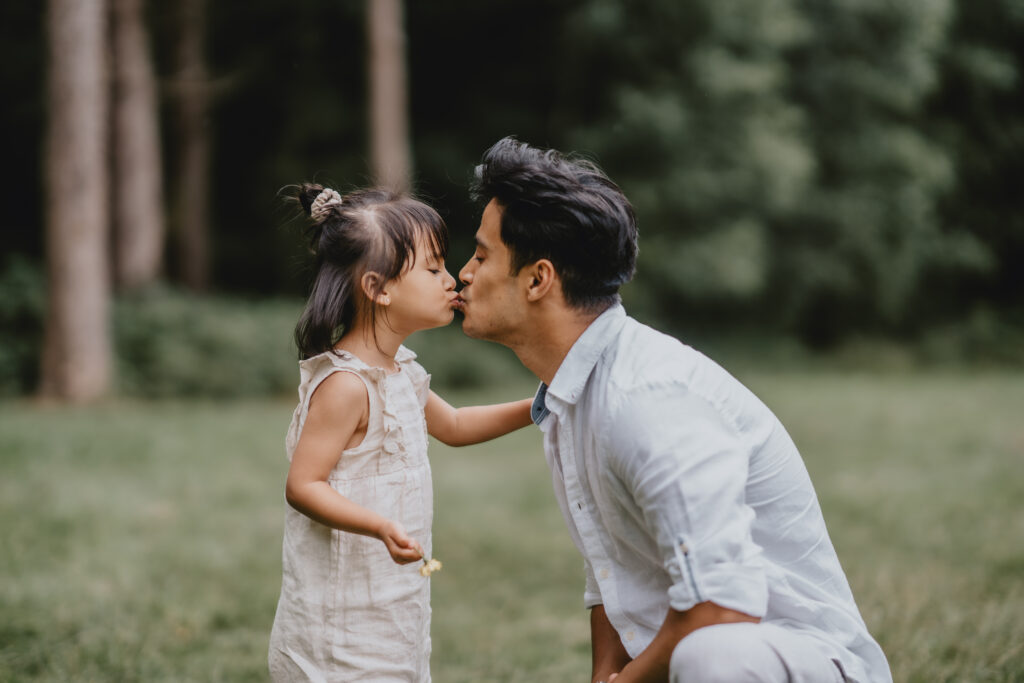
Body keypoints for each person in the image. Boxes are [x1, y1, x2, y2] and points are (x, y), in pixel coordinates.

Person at [453, 137, 893, 683]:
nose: (463, 274)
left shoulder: (645, 398)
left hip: (795, 663)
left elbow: (725, 607)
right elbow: (610, 575)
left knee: (711, 656)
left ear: (539, 278)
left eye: (480, 254)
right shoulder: (570, 402)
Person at [268, 184, 532, 682]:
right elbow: (304, 485)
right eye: (433, 269)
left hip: (389, 604)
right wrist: (378, 525)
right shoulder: (346, 385)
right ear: (378, 288)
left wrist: (537, 407)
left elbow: (453, 426)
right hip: (339, 620)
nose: (451, 279)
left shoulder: (401, 371)